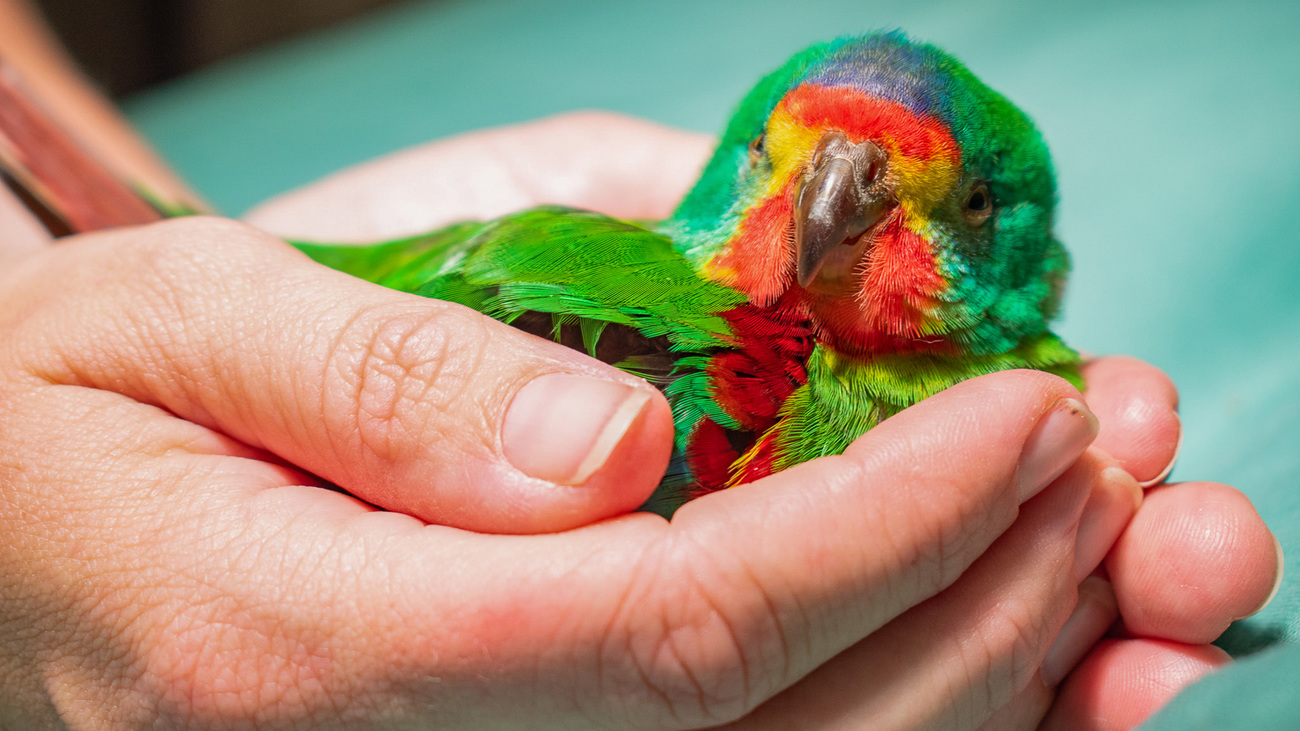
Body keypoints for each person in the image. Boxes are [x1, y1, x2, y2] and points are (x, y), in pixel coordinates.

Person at [0, 1, 1280, 728]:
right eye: (780, 166)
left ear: (1032, 267)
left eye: (958, 208)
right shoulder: (716, 361)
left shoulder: (1040, 423)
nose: (833, 209)